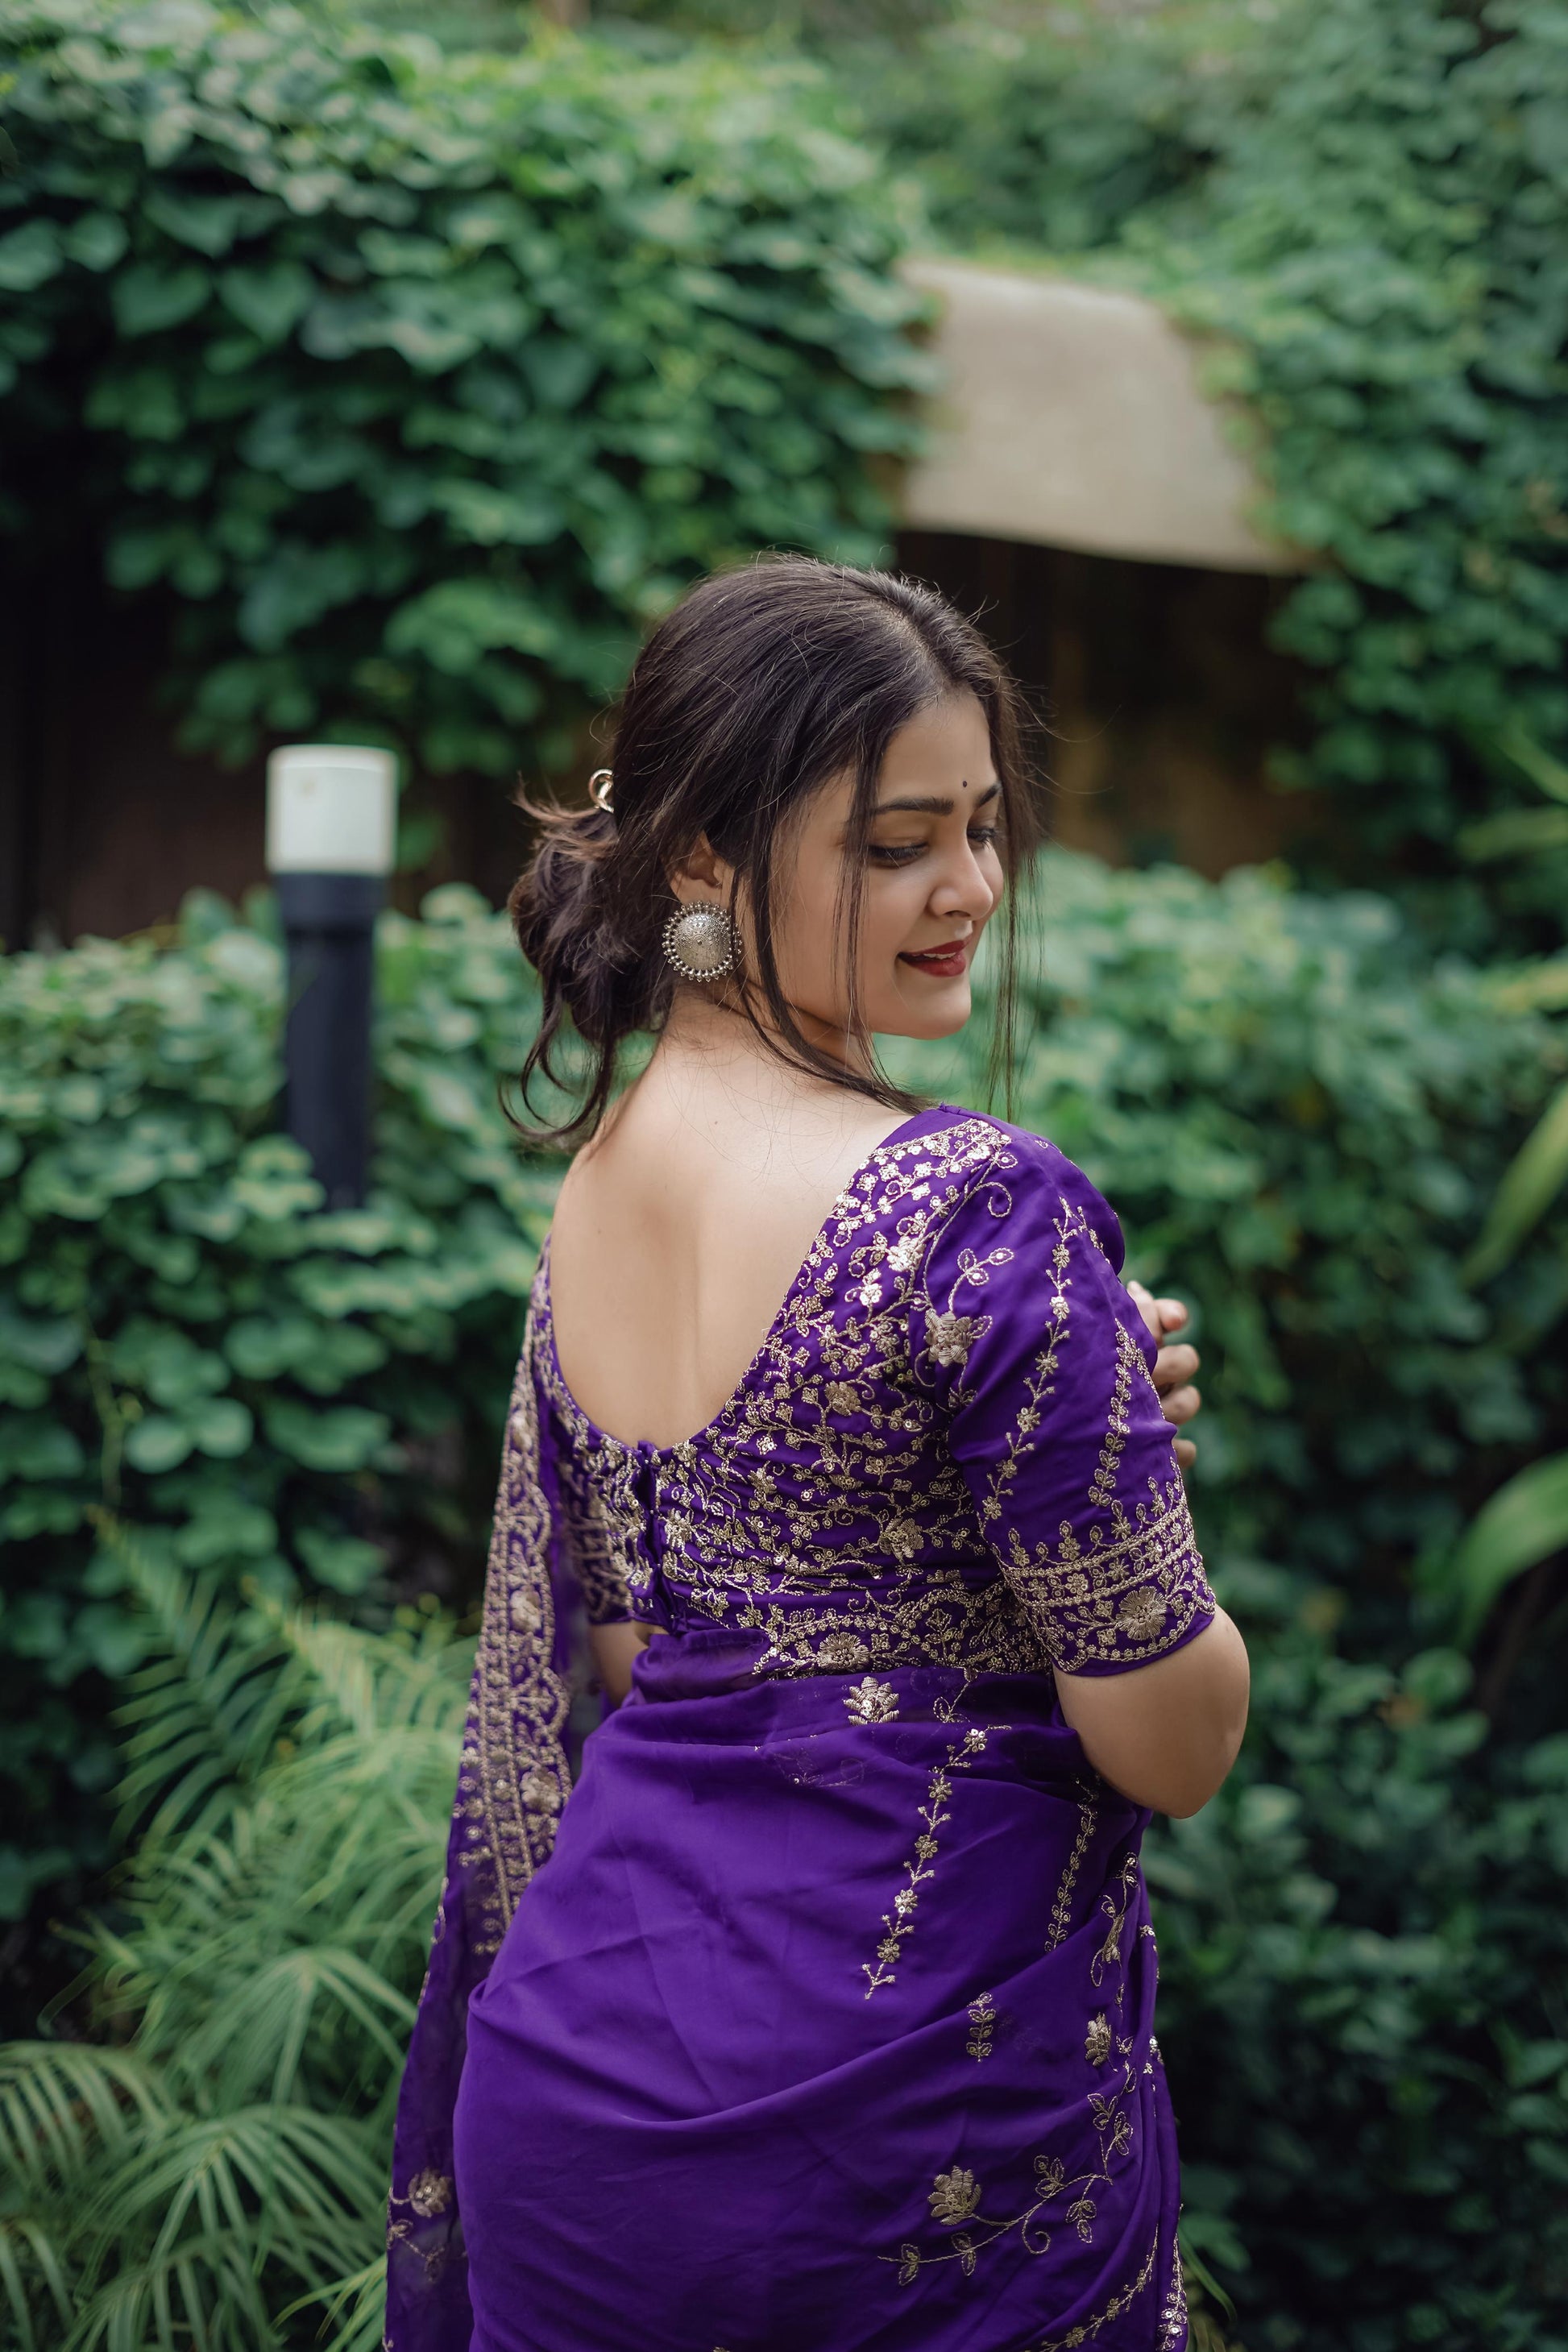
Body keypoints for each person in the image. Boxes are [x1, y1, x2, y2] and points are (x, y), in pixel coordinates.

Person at [385, 558, 1250, 2352]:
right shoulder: (975, 1207)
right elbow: (1170, 1741)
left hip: (579, 2111)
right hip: (887, 2153)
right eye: (897, 843)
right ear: (703, 857)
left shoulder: (601, 1182)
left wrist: (1060, 1424)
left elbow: (645, 1657)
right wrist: (1122, 1483)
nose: (970, 888)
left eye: (984, 827)